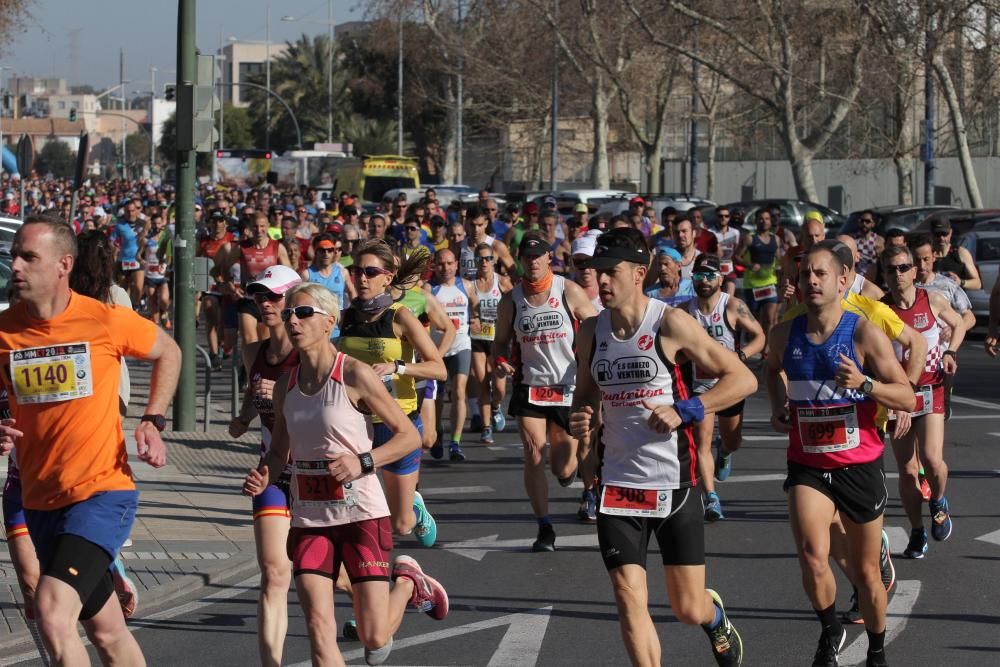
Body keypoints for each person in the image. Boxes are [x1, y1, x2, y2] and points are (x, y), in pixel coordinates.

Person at [0, 216, 181, 665]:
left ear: (63, 264)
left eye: (28, 257)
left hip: (101, 494)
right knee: (106, 630)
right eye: (13, 256)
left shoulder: (104, 319)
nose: (16, 266)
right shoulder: (4, 330)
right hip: (42, 500)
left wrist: (152, 419)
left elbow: (169, 351)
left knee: (52, 610)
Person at [569, 227, 751, 667]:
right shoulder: (591, 332)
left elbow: (743, 378)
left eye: (611, 272)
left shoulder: (669, 323)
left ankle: (714, 617)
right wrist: (582, 424)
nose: (602, 282)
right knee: (628, 597)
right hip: (617, 485)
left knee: (687, 607)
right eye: (597, 272)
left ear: (639, 272)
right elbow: (586, 396)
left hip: (674, 482)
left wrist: (687, 409)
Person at [242, 283, 449, 667]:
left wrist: (363, 462)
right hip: (310, 518)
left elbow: (407, 436)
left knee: (373, 638)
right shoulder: (286, 385)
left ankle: (405, 584)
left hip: (361, 516)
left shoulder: (353, 375)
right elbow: (277, 451)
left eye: (304, 313)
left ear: (329, 322)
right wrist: (264, 475)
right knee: (319, 629)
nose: (293, 321)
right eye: (290, 314)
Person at [766, 243, 915, 667]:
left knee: (866, 572)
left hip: (859, 465)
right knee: (813, 557)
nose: (810, 281)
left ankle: (877, 651)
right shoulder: (784, 333)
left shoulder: (864, 332)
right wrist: (779, 404)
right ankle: (830, 627)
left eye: (820, 274)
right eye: (804, 275)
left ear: (843, 280)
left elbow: (904, 394)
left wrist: (865, 384)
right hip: (808, 464)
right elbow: (770, 366)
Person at [493, 232, 598, 550]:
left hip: (567, 387)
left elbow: (596, 328)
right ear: (521, 260)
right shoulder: (511, 300)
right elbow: (499, 341)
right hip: (529, 387)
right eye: (527, 257)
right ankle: (545, 527)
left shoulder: (568, 290)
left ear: (549, 259)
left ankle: (577, 477)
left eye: (538, 256)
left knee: (563, 466)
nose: (533, 262)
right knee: (534, 453)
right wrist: (499, 361)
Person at [340, 241, 446, 546]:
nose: (362, 277)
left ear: (387, 277)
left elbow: (439, 369)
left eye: (370, 272)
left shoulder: (400, 317)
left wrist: (397, 368)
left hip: (398, 425)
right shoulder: (347, 317)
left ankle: (414, 504)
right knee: (359, 513)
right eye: (357, 270)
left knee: (402, 525)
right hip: (358, 425)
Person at [227, 265, 303, 666]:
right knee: (275, 573)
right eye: (260, 297)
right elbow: (254, 387)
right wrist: (244, 417)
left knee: (325, 574)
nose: (265, 304)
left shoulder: (310, 353)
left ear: (293, 300)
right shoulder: (253, 350)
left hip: (315, 475)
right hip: (272, 473)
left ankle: (392, 583)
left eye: (273, 297)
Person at [880, 245, 965, 558]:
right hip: (897, 395)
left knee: (931, 459)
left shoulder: (931, 300)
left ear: (914, 270)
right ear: (884, 274)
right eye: (891, 269)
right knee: (906, 470)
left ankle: (939, 501)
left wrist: (950, 352)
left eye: (903, 268)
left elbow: (959, 323)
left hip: (930, 389)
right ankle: (917, 531)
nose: (898, 275)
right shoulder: (881, 310)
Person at [685, 255, 766, 521]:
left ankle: (727, 451)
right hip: (701, 386)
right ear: (692, 279)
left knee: (733, 440)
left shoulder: (732, 306)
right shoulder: (685, 311)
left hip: (730, 385)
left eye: (710, 276)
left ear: (720, 279)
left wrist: (741, 357)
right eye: (699, 276)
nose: (704, 281)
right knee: (701, 441)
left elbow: (760, 336)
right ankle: (711, 497)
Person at [425, 248, 480, 461]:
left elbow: (475, 303)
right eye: (440, 264)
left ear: (456, 264)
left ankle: (455, 442)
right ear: (434, 265)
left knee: (459, 391)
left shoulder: (465, 286)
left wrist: (475, 318)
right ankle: (437, 432)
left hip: (461, 346)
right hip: (436, 351)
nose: (445, 268)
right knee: (437, 399)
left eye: (449, 263)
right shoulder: (429, 289)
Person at [216, 211, 293, 346]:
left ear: (268, 226)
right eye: (255, 226)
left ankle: (259, 367)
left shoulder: (277, 247)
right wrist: (231, 287)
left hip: (270, 300)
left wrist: (284, 295)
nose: (259, 230)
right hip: (248, 299)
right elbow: (225, 266)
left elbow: (290, 274)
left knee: (265, 341)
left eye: (262, 226)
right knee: (249, 340)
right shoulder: (241, 247)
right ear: (250, 227)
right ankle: (248, 367)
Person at [470, 242, 513, 444]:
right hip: (478, 340)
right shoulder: (470, 285)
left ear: (494, 260)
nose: (484, 262)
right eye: (480, 259)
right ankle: (486, 427)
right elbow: (464, 309)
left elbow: (515, 304)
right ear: (475, 261)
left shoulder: (502, 282)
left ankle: (496, 407)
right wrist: (472, 318)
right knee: (481, 384)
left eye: (488, 258)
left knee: (500, 387)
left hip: (498, 340)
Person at [738, 209, 780, 353]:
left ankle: (766, 352)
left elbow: (779, 258)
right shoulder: (749, 238)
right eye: (761, 218)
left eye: (767, 218)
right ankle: (754, 346)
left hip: (770, 283)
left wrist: (781, 269)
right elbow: (736, 257)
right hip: (753, 286)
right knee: (753, 322)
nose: (764, 221)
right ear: (756, 221)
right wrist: (749, 265)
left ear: (770, 221)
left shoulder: (776, 239)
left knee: (770, 319)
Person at [301, 233, 356, 339]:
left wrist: (352, 313)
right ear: (316, 252)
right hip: (315, 329)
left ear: (334, 252)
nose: (326, 253)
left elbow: (352, 292)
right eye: (322, 250)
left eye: (329, 250)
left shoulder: (342, 272)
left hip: (338, 328)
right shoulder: (307, 275)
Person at [930, 218, 981, 290]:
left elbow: (978, 283)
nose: (941, 238)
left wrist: (960, 282)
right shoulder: (926, 255)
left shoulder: (961, 253)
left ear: (950, 232)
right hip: (934, 299)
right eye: (937, 234)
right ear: (931, 234)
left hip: (955, 299)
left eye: (945, 234)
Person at [711, 206, 741, 296]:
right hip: (715, 269)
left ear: (729, 217)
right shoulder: (710, 232)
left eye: (726, 216)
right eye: (720, 216)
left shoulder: (735, 232)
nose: (723, 218)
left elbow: (737, 251)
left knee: (728, 297)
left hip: (730, 269)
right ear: (716, 217)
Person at [852, 210, 885, 279]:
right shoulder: (853, 239)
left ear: (873, 223)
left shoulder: (878, 240)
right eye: (862, 221)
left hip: (872, 277)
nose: (864, 223)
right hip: (856, 277)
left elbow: (883, 261)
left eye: (867, 221)